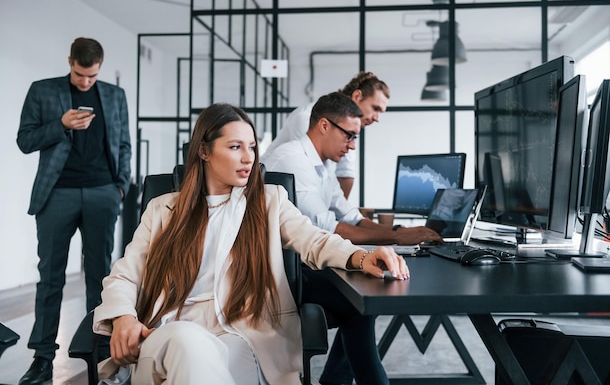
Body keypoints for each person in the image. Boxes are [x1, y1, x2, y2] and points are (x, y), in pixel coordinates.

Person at [91, 103, 407, 384]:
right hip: (169, 333)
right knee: (185, 340)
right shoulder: (162, 210)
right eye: (234, 147)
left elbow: (313, 239)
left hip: (242, 339)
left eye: (252, 147)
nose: (248, 158)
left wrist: (360, 258)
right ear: (204, 151)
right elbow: (125, 274)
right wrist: (123, 317)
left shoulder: (269, 202)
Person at [262, 92, 442, 385]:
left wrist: (399, 236)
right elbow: (330, 228)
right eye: (348, 135)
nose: (352, 145)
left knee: (363, 296)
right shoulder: (291, 159)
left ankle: (338, 380)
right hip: (282, 273)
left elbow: (351, 216)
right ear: (323, 125)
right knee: (361, 300)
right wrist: (400, 236)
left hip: (305, 262)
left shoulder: (322, 164)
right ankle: (350, 381)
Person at [16, 37, 131, 384]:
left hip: (102, 192)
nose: (85, 82)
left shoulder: (114, 95)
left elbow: (123, 143)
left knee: (101, 278)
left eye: (92, 76)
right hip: (57, 194)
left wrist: (119, 187)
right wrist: (61, 125)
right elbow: (25, 140)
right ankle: (42, 360)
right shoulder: (43, 91)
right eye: (80, 75)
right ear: (70, 62)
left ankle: (100, 356)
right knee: (50, 277)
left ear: (100, 68)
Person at [261, 71, 390, 199]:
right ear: (357, 96)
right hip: (266, 189)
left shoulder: (346, 130)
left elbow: (345, 174)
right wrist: (330, 216)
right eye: (375, 108)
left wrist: (338, 214)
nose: (377, 118)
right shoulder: (307, 117)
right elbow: (311, 172)